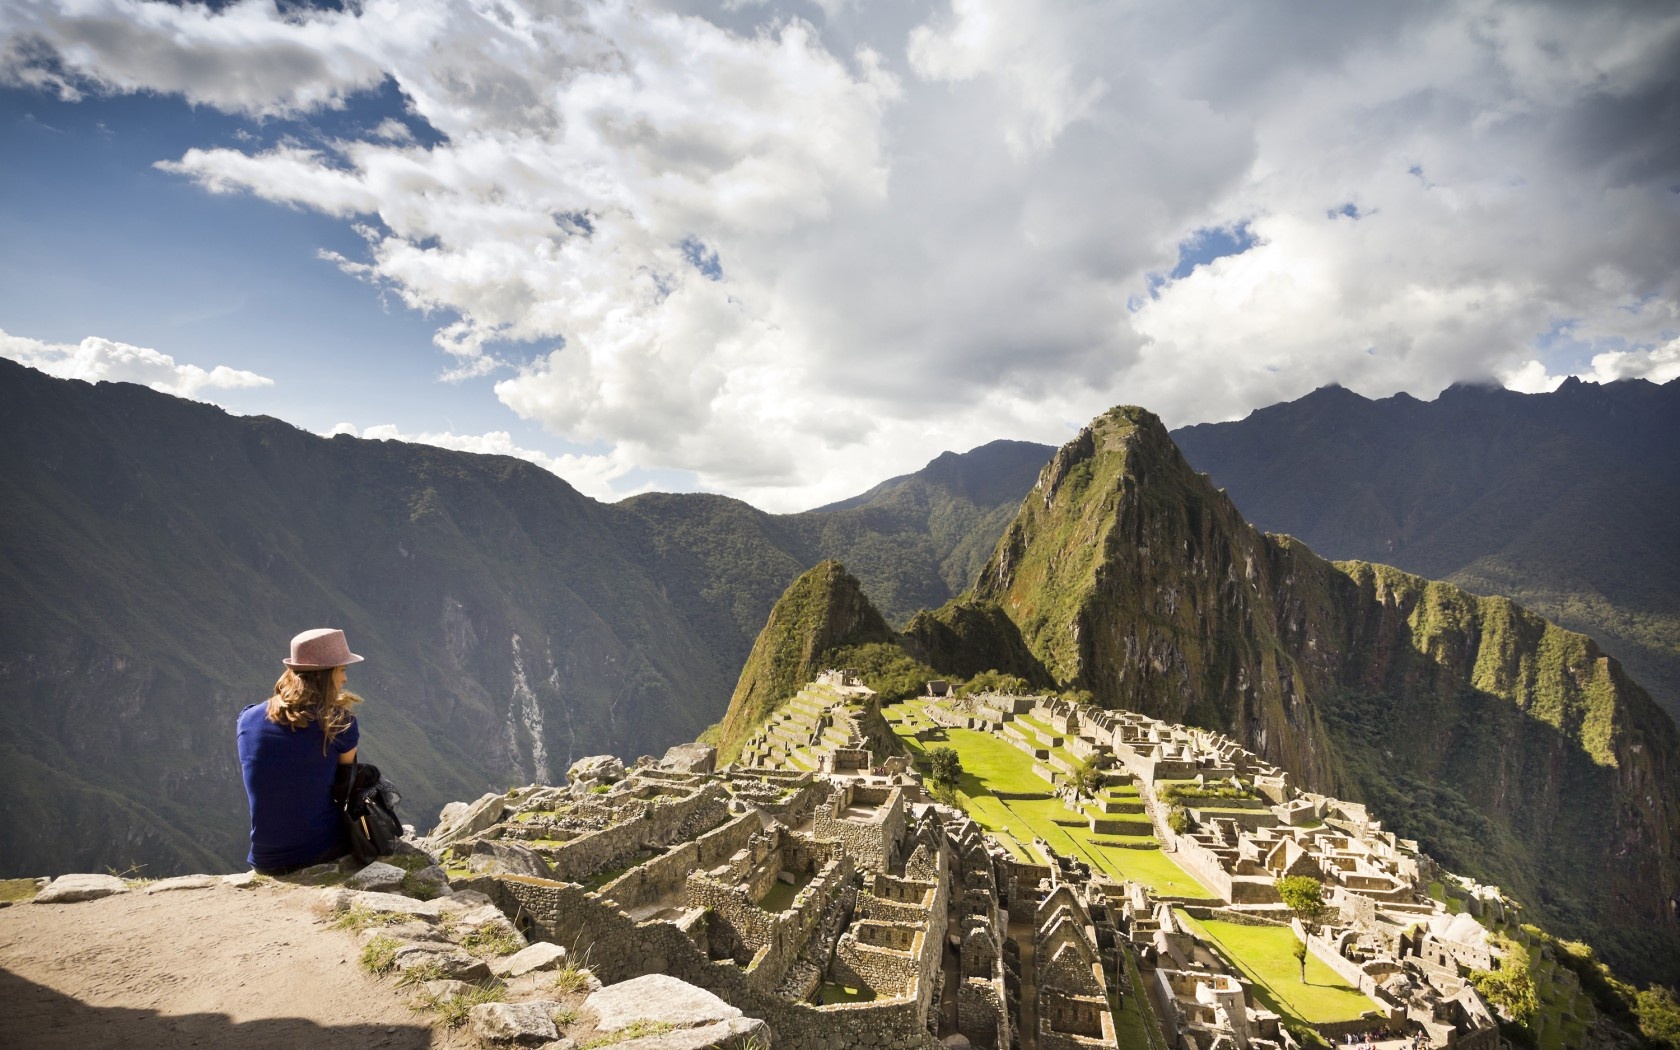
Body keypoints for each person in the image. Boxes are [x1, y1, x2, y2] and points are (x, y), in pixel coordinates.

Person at [236, 628, 363, 874]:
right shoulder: (338, 722)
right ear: (327, 674)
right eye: (342, 670)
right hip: (317, 851)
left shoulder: (247, 718)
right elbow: (347, 784)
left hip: (264, 858)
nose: (345, 679)